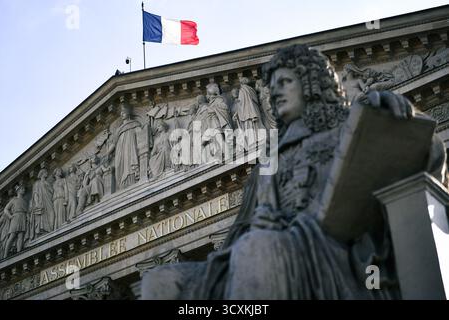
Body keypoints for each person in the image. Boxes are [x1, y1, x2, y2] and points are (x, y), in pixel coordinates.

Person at [141, 44, 447, 300]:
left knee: (258, 249)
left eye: (285, 82)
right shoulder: (269, 160)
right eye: (272, 88)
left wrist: (400, 118)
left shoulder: (351, 125)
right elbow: (236, 238)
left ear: (311, 82)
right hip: (269, 252)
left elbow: (426, 158)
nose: (275, 93)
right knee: (161, 281)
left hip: (340, 254)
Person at [108, 103, 141, 190]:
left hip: (130, 147)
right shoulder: (118, 130)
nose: (122, 114)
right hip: (119, 150)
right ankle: (122, 185)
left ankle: (131, 180)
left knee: (129, 162)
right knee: (120, 165)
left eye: (124, 112)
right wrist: (107, 153)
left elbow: (140, 133)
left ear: (128, 113)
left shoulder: (134, 124)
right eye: (121, 113)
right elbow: (114, 143)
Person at [29, 169, 55, 240]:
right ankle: (42, 230)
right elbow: (35, 194)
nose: (47, 173)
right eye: (45, 172)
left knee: (51, 213)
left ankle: (51, 229)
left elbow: (52, 191)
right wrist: (37, 203)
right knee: (42, 216)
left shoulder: (47, 183)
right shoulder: (37, 183)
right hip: (41, 202)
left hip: (49, 201)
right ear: (42, 173)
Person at [4, 186, 28, 258]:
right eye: (22, 189)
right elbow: (6, 209)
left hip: (22, 217)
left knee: (21, 235)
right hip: (16, 217)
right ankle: (5, 255)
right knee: (12, 235)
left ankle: (19, 252)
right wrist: (10, 216)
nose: (24, 190)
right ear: (18, 191)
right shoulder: (14, 199)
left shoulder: (24, 201)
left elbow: (26, 211)